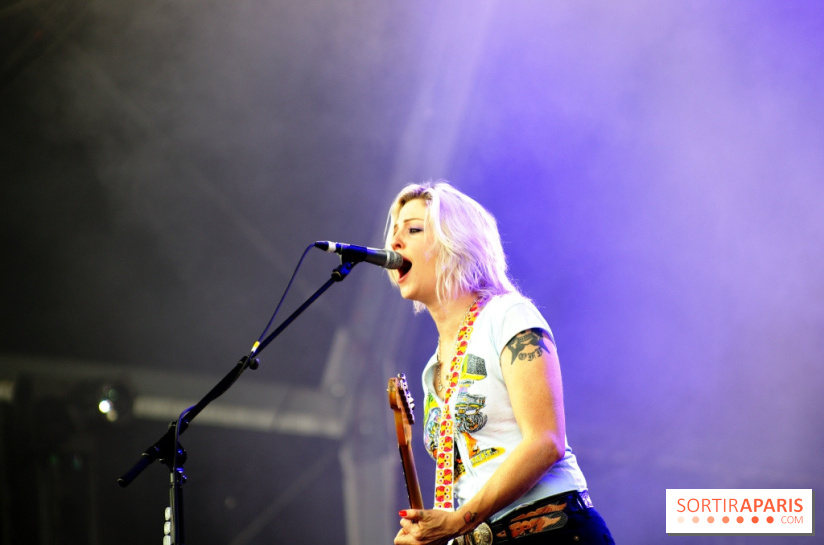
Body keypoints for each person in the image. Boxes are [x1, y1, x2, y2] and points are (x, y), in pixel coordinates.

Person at [385, 181, 614, 544]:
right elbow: (467, 483)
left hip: (553, 532)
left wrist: (458, 520)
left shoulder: (508, 315)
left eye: (413, 229)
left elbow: (546, 441)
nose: (394, 242)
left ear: (455, 244)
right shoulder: (433, 370)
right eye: (394, 231)